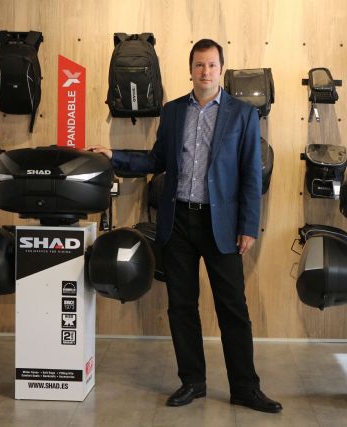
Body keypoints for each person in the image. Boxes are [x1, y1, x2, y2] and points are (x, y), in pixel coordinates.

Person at [88, 39, 282, 413]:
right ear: (190, 69)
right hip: (177, 222)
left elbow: (250, 176)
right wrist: (115, 156)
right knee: (181, 307)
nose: (205, 72)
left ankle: (245, 387)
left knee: (233, 309)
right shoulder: (174, 111)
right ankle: (192, 381)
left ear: (221, 69)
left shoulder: (243, 114)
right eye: (199, 65)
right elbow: (157, 160)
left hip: (222, 225)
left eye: (212, 65)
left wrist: (248, 226)